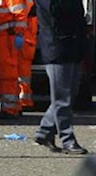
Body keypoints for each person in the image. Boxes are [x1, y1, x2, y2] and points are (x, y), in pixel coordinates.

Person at [33, 0, 88, 154]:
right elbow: (57, 12)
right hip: (56, 47)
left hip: (73, 47)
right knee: (62, 98)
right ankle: (67, 139)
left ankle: (44, 132)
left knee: (69, 93)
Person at [18, 1, 37, 108]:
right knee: (23, 71)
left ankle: (22, 100)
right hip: (26, 34)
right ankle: (23, 99)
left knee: (18, 70)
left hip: (23, 33)